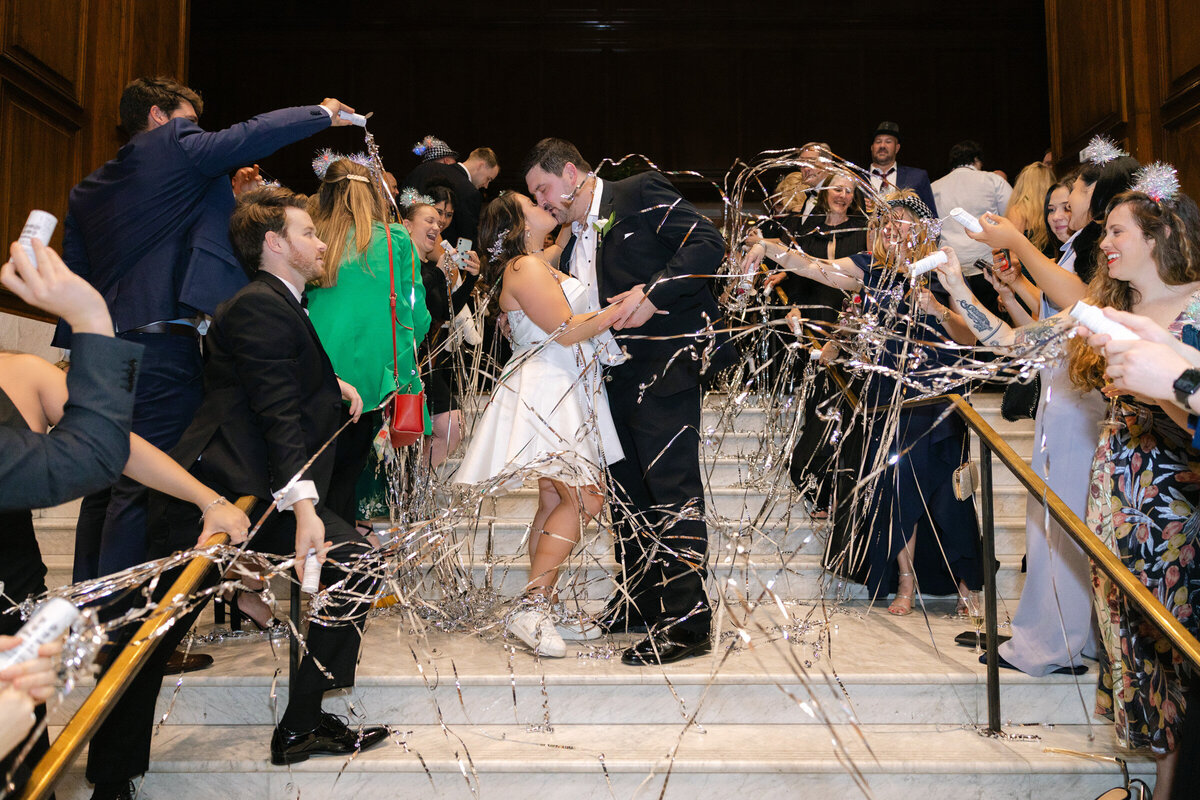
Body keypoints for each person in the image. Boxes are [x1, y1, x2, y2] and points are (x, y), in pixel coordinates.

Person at [84, 188, 388, 800]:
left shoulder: (283, 304)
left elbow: (276, 381)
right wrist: (306, 506)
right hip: (213, 500)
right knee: (152, 637)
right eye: (308, 232)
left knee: (356, 563)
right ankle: (111, 781)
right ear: (275, 244)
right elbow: (276, 410)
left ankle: (301, 725)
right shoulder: (258, 305)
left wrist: (336, 385)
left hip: (257, 496)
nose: (322, 241)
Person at [55, 75, 357, 590]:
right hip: (157, 348)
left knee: (105, 479)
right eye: (190, 122)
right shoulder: (171, 144)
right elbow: (246, 135)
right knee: (143, 491)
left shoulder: (92, 187)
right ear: (157, 117)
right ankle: (123, 629)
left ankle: (88, 610)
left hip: (100, 345)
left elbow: (78, 271)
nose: (198, 135)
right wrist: (321, 112)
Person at [524, 138, 726, 665]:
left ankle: (686, 622)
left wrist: (651, 293)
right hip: (610, 380)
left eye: (544, 189)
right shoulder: (570, 240)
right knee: (629, 495)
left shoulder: (637, 191)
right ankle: (640, 601)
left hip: (664, 368)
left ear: (570, 173)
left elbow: (706, 242)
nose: (544, 203)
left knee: (670, 490)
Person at [748, 191, 983, 615]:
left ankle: (967, 580)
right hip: (886, 399)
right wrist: (770, 248)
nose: (890, 227)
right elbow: (816, 268)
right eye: (884, 221)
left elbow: (972, 336)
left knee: (951, 495)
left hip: (940, 396)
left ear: (920, 229)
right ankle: (905, 582)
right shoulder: (867, 269)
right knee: (897, 491)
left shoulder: (942, 269)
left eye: (900, 221)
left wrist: (936, 309)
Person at [454, 192, 624, 656]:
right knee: (584, 497)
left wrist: (572, 216)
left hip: (566, 381)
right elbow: (565, 329)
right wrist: (621, 309)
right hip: (549, 384)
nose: (539, 202)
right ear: (515, 220)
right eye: (529, 201)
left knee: (556, 495)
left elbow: (569, 230)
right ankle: (532, 605)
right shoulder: (523, 268)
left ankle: (538, 605)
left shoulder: (536, 260)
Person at [306, 156, 432, 522]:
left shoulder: (313, 242)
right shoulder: (394, 242)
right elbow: (415, 313)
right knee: (348, 482)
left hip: (316, 377)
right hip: (375, 384)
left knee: (315, 485)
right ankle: (342, 564)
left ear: (326, 194)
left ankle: (315, 568)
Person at [399, 192, 478, 468]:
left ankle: (414, 489)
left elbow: (445, 311)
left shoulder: (426, 268)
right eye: (429, 220)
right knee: (421, 429)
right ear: (407, 225)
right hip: (402, 363)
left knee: (452, 425)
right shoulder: (401, 265)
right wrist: (439, 273)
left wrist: (471, 277)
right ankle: (409, 491)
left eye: (440, 221)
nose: (437, 226)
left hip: (421, 361)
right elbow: (409, 293)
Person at [931, 140, 1013, 312]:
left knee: (961, 326)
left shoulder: (934, 187)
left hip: (951, 268)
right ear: (977, 160)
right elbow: (1011, 218)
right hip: (988, 267)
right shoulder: (993, 180)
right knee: (995, 326)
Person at [405, 143, 500, 245]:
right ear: (481, 165)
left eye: (449, 214)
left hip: (402, 244)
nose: (486, 185)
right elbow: (466, 240)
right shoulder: (470, 192)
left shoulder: (423, 169)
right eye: (488, 179)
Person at [866, 121, 937, 217]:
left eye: (888, 141)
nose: (882, 146)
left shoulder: (917, 177)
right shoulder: (857, 177)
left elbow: (931, 217)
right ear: (872, 147)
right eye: (878, 141)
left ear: (897, 148)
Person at [1004, 161, 1057, 252]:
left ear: (1023, 184)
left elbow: (1013, 252)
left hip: (1027, 265)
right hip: (1054, 264)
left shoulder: (1018, 211)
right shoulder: (1057, 212)